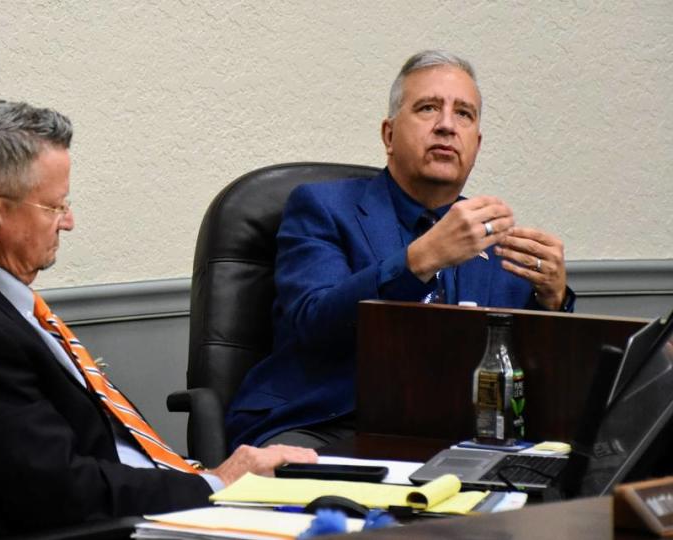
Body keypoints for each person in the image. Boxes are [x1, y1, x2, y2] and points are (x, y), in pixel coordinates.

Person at [0, 100, 316, 535]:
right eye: (54, 206)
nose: (68, 221)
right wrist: (218, 484)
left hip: (158, 498)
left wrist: (208, 481)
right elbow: (62, 491)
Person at [225, 50, 576, 451]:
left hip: (456, 437)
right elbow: (315, 323)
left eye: (464, 114)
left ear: (476, 144)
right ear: (389, 135)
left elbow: (527, 380)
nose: (447, 126)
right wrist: (421, 260)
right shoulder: (323, 208)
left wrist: (554, 302)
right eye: (428, 108)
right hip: (328, 425)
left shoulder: (495, 239)